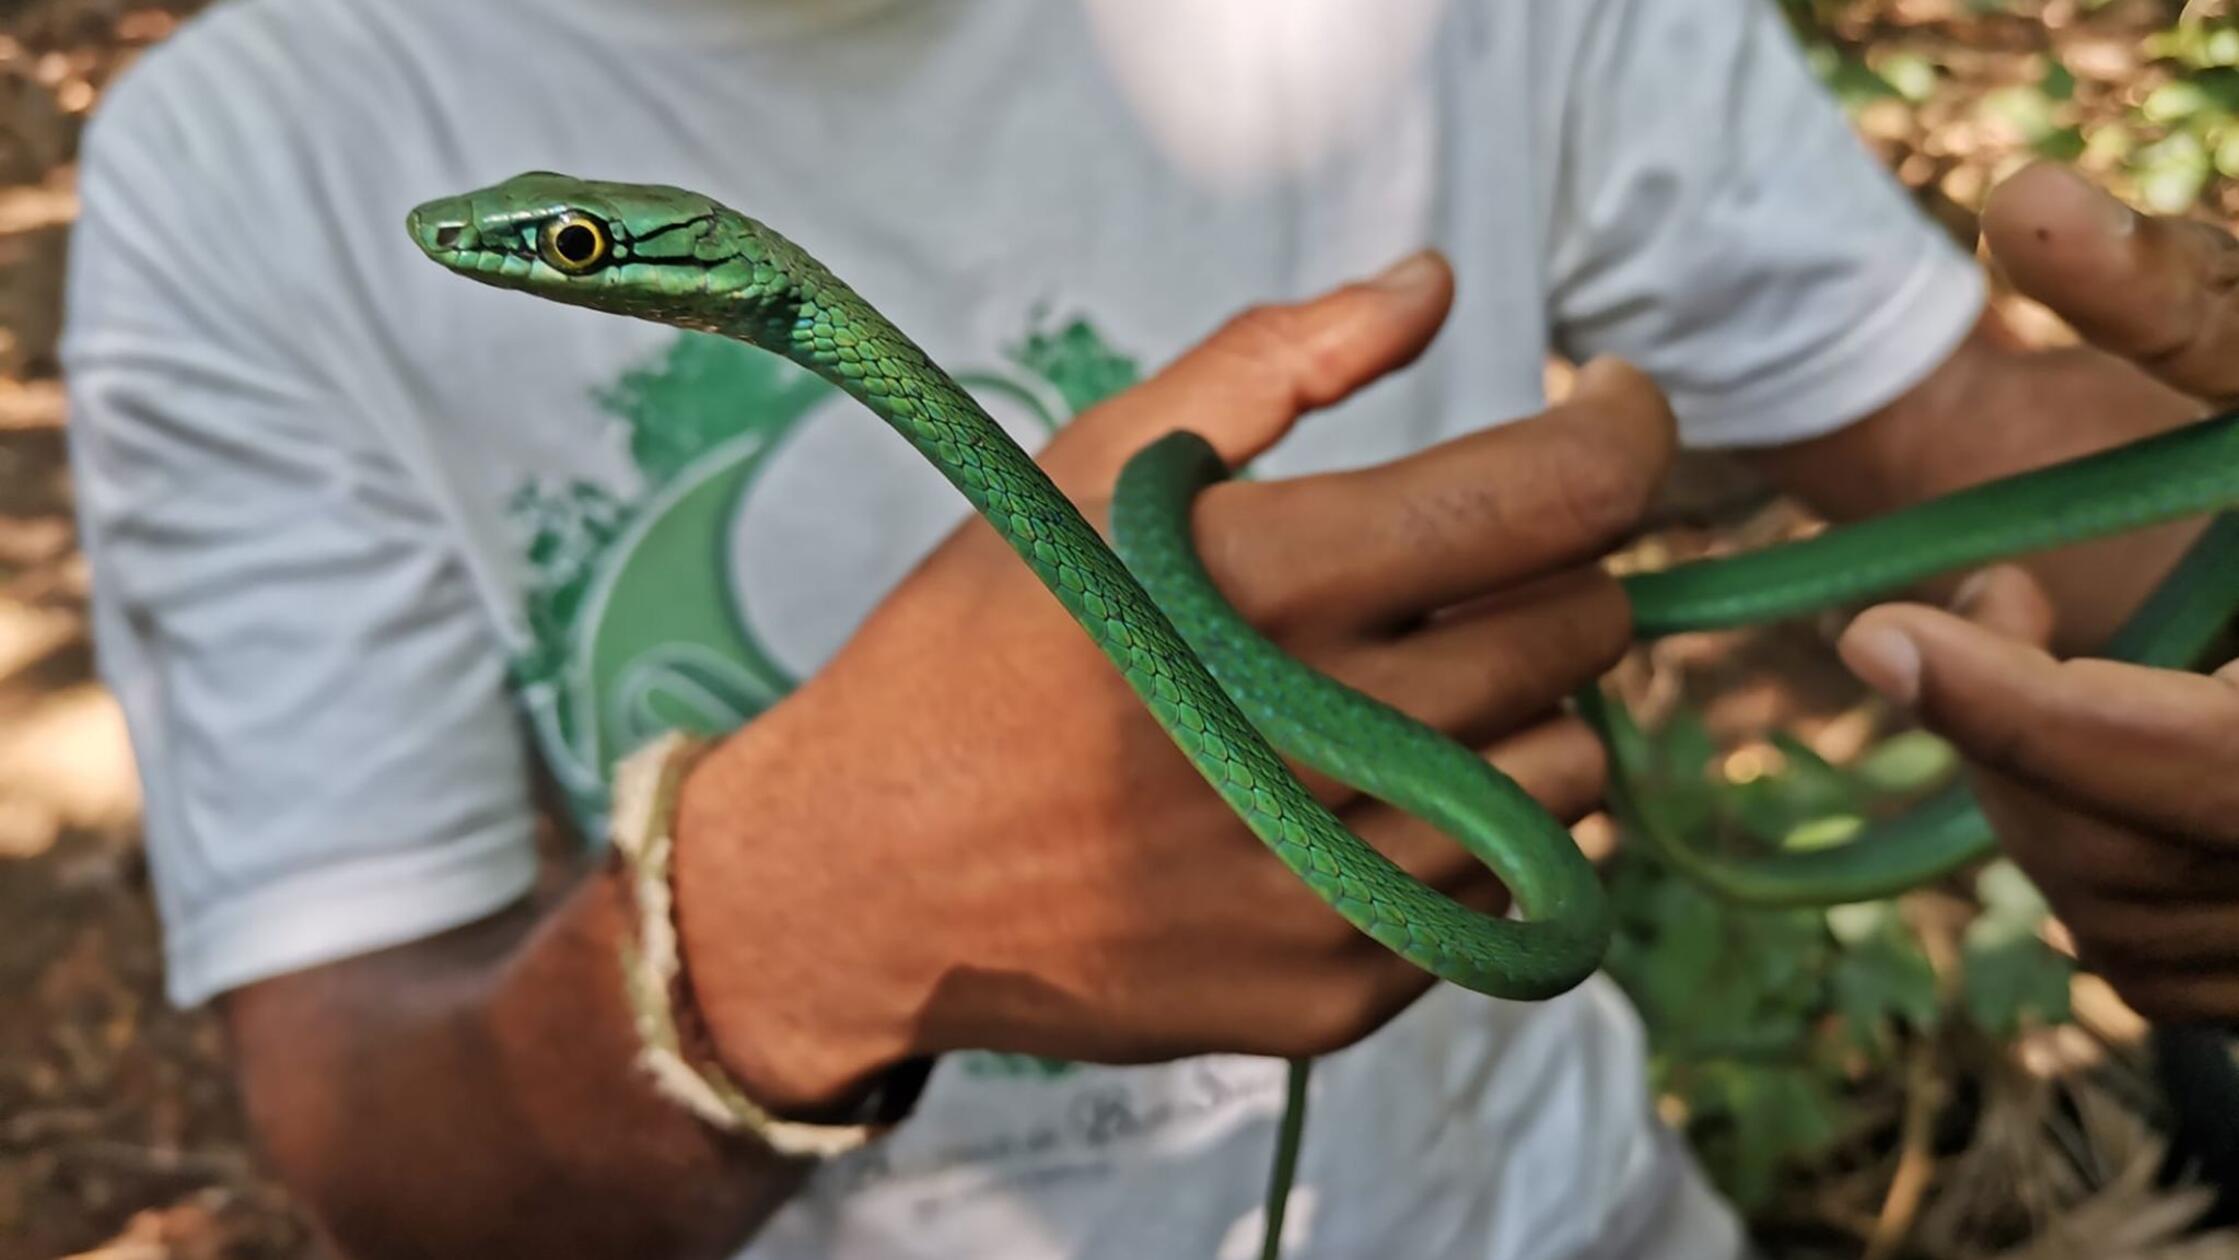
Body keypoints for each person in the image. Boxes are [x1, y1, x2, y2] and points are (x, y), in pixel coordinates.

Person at [56, 0, 2230, 1256]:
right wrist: (771, 940)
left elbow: (1962, 428)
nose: (538, 261)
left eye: (568, 249)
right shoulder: (252, 157)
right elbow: (377, 1136)